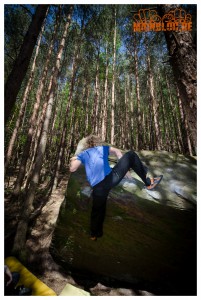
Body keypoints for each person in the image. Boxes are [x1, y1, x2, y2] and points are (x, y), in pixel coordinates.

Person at [69, 135, 163, 241]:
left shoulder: (83, 154)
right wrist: (126, 170)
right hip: (110, 179)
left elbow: (72, 169)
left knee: (97, 210)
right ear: (97, 143)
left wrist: (75, 158)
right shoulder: (102, 148)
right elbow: (118, 152)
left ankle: (94, 234)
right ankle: (148, 183)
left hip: (97, 188)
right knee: (131, 155)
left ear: (87, 145)